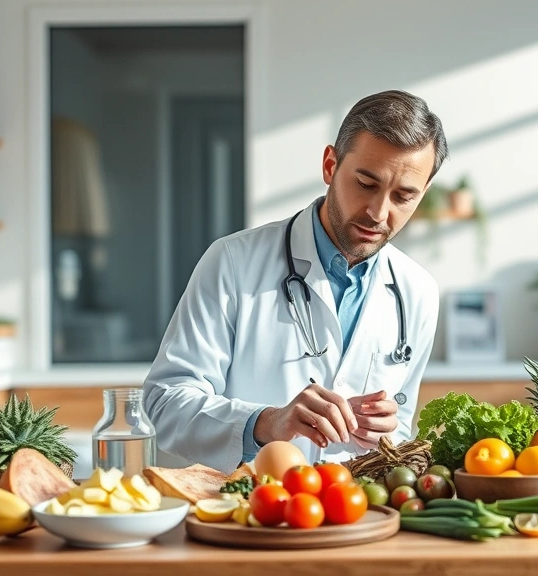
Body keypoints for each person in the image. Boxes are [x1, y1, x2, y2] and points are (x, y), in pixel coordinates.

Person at [142, 89, 447, 470]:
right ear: (330, 166)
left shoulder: (417, 292)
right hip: (249, 511)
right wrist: (267, 423)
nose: (378, 212)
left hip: (353, 515)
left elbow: (399, 430)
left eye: (404, 196)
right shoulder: (233, 262)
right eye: (366, 184)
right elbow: (164, 403)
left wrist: (383, 430)